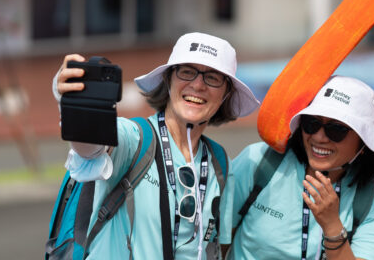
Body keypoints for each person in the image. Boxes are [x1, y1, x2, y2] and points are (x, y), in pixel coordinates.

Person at [52, 32, 260, 259]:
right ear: (168, 79)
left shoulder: (220, 164)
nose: (198, 85)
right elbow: (91, 146)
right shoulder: (136, 140)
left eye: (213, 77)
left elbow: (216, 249)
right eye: (187, 72)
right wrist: (75, 104)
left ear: (226, 94)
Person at [224, 75, 374, 259]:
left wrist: (332, 226)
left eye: (336, 129)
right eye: (311, 124)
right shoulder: (259, 161)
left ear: (364, 143)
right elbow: (217, 242)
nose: (319, 137)